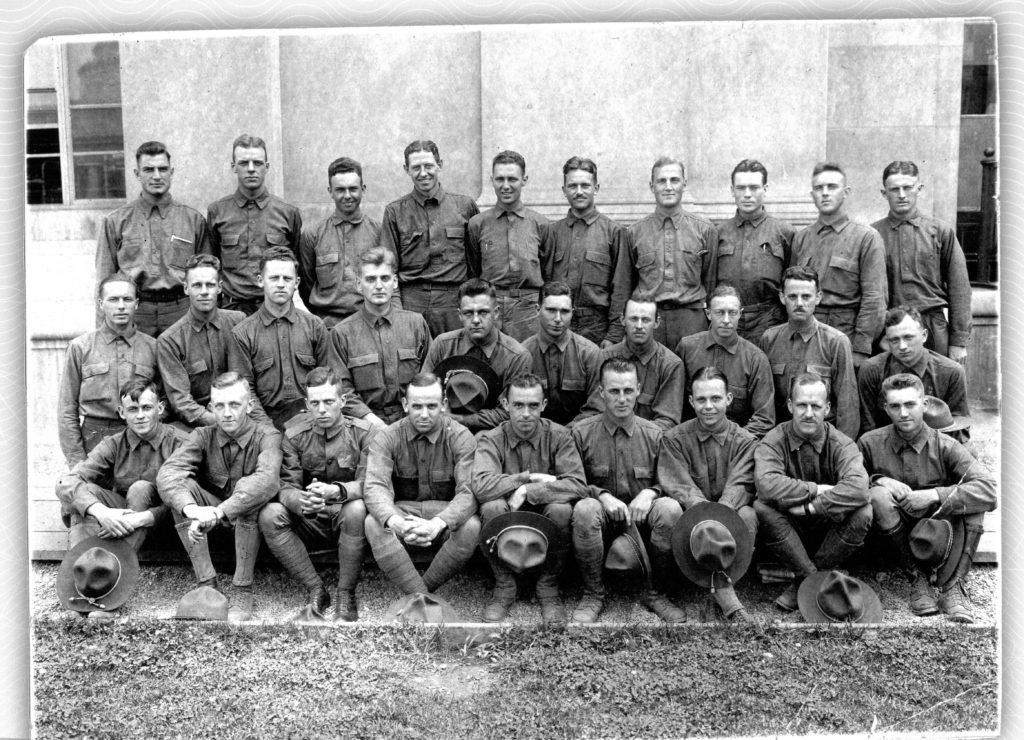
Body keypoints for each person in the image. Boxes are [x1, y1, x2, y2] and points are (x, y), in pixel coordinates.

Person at [858, 374, 996, 623]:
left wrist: (934, 494)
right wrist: (878, 480)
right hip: (892, 537)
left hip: (939, 530)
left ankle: (954, 586)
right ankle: (916, 579)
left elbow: (990, 490)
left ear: (924, 404)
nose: (903, 413)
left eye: (910, 404)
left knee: (975, 502)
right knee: (877, 496)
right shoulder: (869, 443)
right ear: (885, 408)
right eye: (895, 406)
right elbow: (850, 483)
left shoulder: (946, 445)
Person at [156, 372, 283, 621]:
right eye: (220, 406)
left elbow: (267, 481)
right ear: (211, 407)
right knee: (182, 493)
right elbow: (168, 474)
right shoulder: (203, 435)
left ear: (250, 405)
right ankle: (206, 583)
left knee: (250, 492)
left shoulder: (268, 436)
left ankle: (242, 589)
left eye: (235, 404)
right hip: (209, 528)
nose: (227, 413)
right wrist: (194, 510)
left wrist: (220, 511)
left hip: (252, 529)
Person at [570, 358, 685, 623]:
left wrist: (652, 492)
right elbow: (571, 481)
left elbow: (676, 483)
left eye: (628, 391)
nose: (622, 399)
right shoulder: (581, 433)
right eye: (614, 391)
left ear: (638, 390)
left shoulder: (655, 434)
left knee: (670, 509)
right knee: (585, 508)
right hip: (600, 527)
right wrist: (601, 495)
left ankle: (655, 592)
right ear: (601, 392)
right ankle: (594, 594)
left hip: (643, 526)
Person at [257, 368, 377, 621]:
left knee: (356, 509)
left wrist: (338, 491)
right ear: (307, 404)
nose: (322, 409)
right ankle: (316, 589)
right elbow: (286, 486)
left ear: (342, 402)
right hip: (311, 519)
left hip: (349, 520)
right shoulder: (294, 435)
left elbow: (371, 484)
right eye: (315, 403)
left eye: (329, 402)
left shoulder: (364, 434)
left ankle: (346, 593)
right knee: (270, 514)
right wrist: (300, 502)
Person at [472, 375, 588, 624]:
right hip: (506, 519)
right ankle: (504, 586)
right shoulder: (490, 439)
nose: (526, 413)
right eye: (518, 405)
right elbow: (481, 486)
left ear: (544, 405)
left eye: (533, 406)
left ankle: (548, 586)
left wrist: (528, 491)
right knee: (491, 506)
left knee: (561, 509)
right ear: (505, 404)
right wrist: (528, 478)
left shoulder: (559, 436)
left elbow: (578, 484)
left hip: (545, 520)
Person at [753, 373, 872, 611]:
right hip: (789, 529)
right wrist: (815, 489)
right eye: (801, 405)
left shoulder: (842, 443)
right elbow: (767, 485)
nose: (808, 413)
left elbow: (859, 488)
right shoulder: (774, 440)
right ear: (789, 406)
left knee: (864, 512)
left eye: (816, 406)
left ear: (827, 408)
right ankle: (812, 577)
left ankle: (803, 581)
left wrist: (813, 506)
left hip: (829, 529)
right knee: (761, 507)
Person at [363, 372, 480, 600]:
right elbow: (375, 487)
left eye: (432, 406)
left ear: (444, 405)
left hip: (443, 516)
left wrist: (437, 524)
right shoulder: (387, 437)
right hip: (404, 514)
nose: (424, 414)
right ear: (405, 405)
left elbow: (469, 493)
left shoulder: (461, 437)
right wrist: (396, 522)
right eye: (417, 406)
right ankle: (422, 596)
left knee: (472, 526)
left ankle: (419, 594)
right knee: (373, 522)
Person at [657, 367, 758, 621]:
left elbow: (740, 485)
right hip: (692, 522)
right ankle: (721, 597)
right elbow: (680, 486)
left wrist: (717, 518)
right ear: (691, 401)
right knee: (671, 508)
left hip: (729, 519)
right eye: (701, 400)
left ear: (729, 399)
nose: (708, 406)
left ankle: (721, 589)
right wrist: (706, 518)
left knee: (748, 514)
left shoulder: (746, 441)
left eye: (715, 398)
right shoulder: (675, 439)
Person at [56, 381, 182, 568]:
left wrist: (143, 518)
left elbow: (190, 498)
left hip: (165, 527)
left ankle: (113, 574)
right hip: (122, 524)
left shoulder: (180, 442)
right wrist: (103, 513)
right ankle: (84, 574)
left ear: (160, 408)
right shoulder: (114, 444)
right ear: (122, 413)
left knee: (141, 488)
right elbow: (65, 483)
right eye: (132, 409)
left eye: (147, 408)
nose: (140, 416)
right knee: (84, 493)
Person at [94, 140, 210, 336]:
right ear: (137, 174)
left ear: (171, 172)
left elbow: (208, 276)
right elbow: (104, 282)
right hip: (136, 312)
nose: (157, 176)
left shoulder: (193, 220)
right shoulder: (116, 221)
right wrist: (102, 333)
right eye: (148, 169)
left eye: (162, 169)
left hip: (181, 310)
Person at [871, 160, 972, 362]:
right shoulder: (872, 234)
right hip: (891, 328)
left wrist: (958, 341)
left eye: (907, 188)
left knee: (938, 386)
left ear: (919, 189)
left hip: (932, 326)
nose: (901, 195)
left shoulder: (940, 232)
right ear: (884, 193)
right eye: (894, 189)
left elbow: (959, 287)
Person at [378, 140, 480, 336]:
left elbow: (476, 264)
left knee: (455, 358)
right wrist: (397, 310)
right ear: (406, 169)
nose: (423, 173)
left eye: (429, 166)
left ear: (440, 164)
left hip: (454, 302)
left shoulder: (465, 206)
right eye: (416, 167)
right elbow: (389, 268)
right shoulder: (395, 211)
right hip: (411, 301)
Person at [791, 161, 887, 367]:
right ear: (812, 195)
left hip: (848, 335)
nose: (825, 193)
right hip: (807, 333)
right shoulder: (801, 238)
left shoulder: (866, 237)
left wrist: (861, 347)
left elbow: (874, 299)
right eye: (819, 188)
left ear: (846, 192)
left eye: (832, 187)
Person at [58, 273, 159, 468]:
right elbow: (66, 409)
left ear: (136, 304)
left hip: (140, 438)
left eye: (127, 299)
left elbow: (163, 404)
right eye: (113, 299)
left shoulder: (153, 348)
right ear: (101, 303)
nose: (121, 306)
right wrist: (77, 460)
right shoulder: (80, 347)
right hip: (95, 438)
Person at [229, 246, 333, 431]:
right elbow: (245, 391)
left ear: (297, 282)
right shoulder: (242, 334)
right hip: (265, 423)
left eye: (287, 278)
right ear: (261, 281)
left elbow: (327, 381)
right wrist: (268, 430)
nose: (280, 284)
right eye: (274, 278)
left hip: (312, 420)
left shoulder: (315, 326)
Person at [331, 247, 431, 428]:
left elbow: (429, 377)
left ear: (395, 282)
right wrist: (371, 420)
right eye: (370, 279)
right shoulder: (342, 333)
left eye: (384, 278)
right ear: (359, 285)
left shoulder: (416, 324)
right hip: (364, 425)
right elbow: (342, 390)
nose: (378, 285)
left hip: (414, 420)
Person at [466, 150, 558, 341]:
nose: (505, 186)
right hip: (490, 306)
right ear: (492, 180)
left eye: (512, 179)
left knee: (528, 360)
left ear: (524, 180)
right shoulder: (478, 224)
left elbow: (548, 273)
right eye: (500, 179)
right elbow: (473, 270)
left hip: (528, 309)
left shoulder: (541, 224)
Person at [207, 133, 302, 315]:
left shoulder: (288, 213)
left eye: (257, 163)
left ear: (266, 167)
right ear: (233, 167)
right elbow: (212, 264)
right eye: (243, 163)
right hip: (231, 310)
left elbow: (296, 265)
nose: (251, 169)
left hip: (274, 308)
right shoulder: (217, 212)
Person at [628, 156, 717, 349]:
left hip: (692, 320)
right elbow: (625, 285)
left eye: (674, 180)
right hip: (649, 319)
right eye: (661, 181)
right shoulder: (634, 232)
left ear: (684, 185)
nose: (668, 187)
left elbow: (710, 282)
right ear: (652, 186)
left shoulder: (704, 230)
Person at [759, 266, 858, 440]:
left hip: (824, 439)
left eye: (806, 296)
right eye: (792, 296)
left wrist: (841, 449)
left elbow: (847, 407)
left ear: (818, 297)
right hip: (781, 440)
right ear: (782, 298)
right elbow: (763, 402)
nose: (799, 303)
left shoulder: (836, 342)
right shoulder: (769, 339)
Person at [422, 278, 532, 433]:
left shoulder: (517, 356)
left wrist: (460, 420)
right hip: (443, 428)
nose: (475, 320)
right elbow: (422, 392)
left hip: (495, 433)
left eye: (483, 312)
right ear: (459, 315)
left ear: (496, 313)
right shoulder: (442, 344)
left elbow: (511, 411)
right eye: (468, 313)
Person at [548, 156, 631, 346]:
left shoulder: (614, 232)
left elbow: (621, 287)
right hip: (558, 323)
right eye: (572, 186)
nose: (579, 192)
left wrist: (614, 335)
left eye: (585, 185)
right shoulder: (552, 232)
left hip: (597, 327)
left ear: (596, 188)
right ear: (564, 190)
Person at [157, 254, 246, 429]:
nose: (204, 291)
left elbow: (248, 380)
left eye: (210, 285)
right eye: (197, 285)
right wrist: (217, 420)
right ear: (186, 288)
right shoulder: (170, 340)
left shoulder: (238, 322)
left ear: (220, 288)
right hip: (196, 425)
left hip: (239, 414)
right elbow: (181, 401)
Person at [675, 284, 775, 438]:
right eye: (720, 313)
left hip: (737, 446)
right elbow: (675, 406)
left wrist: (734, 443)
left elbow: (764, 419)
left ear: (740, 314)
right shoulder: (687, 348)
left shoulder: (755, 358)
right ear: (708, 314)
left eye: (732, 313)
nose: (726, 320)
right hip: (691, 441)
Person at [712, 158, 794, 344]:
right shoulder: (718, 233)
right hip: (728, 318)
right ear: (732, 190)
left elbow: (791, 281)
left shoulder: (784, 232)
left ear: (765, 188)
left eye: (754, 187)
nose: (747, 194)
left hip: (769, 319)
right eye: (740, 188)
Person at [858, 306, 970, 436]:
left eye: (908, 337)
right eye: (894, 340)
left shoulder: (951, 372)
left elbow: (960, 426)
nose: (902, 346)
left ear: (924, 336)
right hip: (887, 445)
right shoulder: (871, 369)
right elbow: (868, 425)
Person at [298, 156, 382, 328]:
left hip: (369, 323)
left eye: (353, 189)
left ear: (363, 189)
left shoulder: (379, 231)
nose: (347, 195)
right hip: (327, 325)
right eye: (340, 190)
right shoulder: (312, 234)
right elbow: (306, 285)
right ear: (330, 191)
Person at [580, 295, 684, 431]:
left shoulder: (670, 365)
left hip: (650, 444)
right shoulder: (603, 357)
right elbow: (594, 410)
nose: (639, 326)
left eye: (646, 320)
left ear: (657, 322)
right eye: (634, 319)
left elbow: (667, 422)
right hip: (606, 437)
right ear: (622, 319)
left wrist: (632, 436)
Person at [520, 281, 601, 426]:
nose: (558, 319)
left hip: (579, 435)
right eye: (551, 310)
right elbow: (518, 408)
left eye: (564, 311)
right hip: (535, 434)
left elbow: (596, 408)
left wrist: (566, 434)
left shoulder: (589, 353)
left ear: (572, 313)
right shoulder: (523, 354)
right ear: (537, 310)